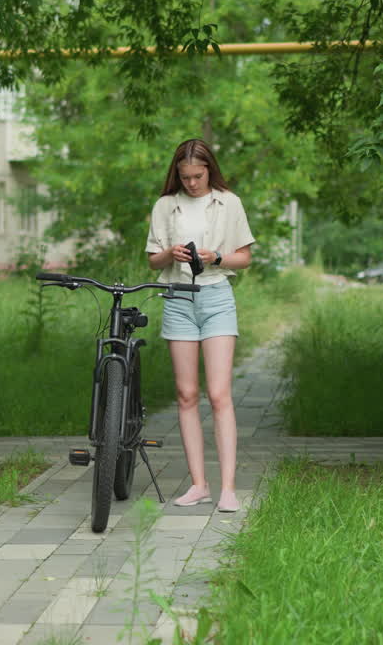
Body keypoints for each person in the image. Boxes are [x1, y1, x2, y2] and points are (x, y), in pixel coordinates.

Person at [145, 138, 254, 513]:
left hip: (216, 299)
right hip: (177, 299)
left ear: (210, 170)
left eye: (197, 175)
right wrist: (168, 254)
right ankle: (198, 484)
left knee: (219, 393)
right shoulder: (165, 206)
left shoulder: (229, 203)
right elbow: (153, 262)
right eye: (185, 176)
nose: (191, 183)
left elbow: (244, 258)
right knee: (186, 395)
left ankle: (227, 489)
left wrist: (217, 257)